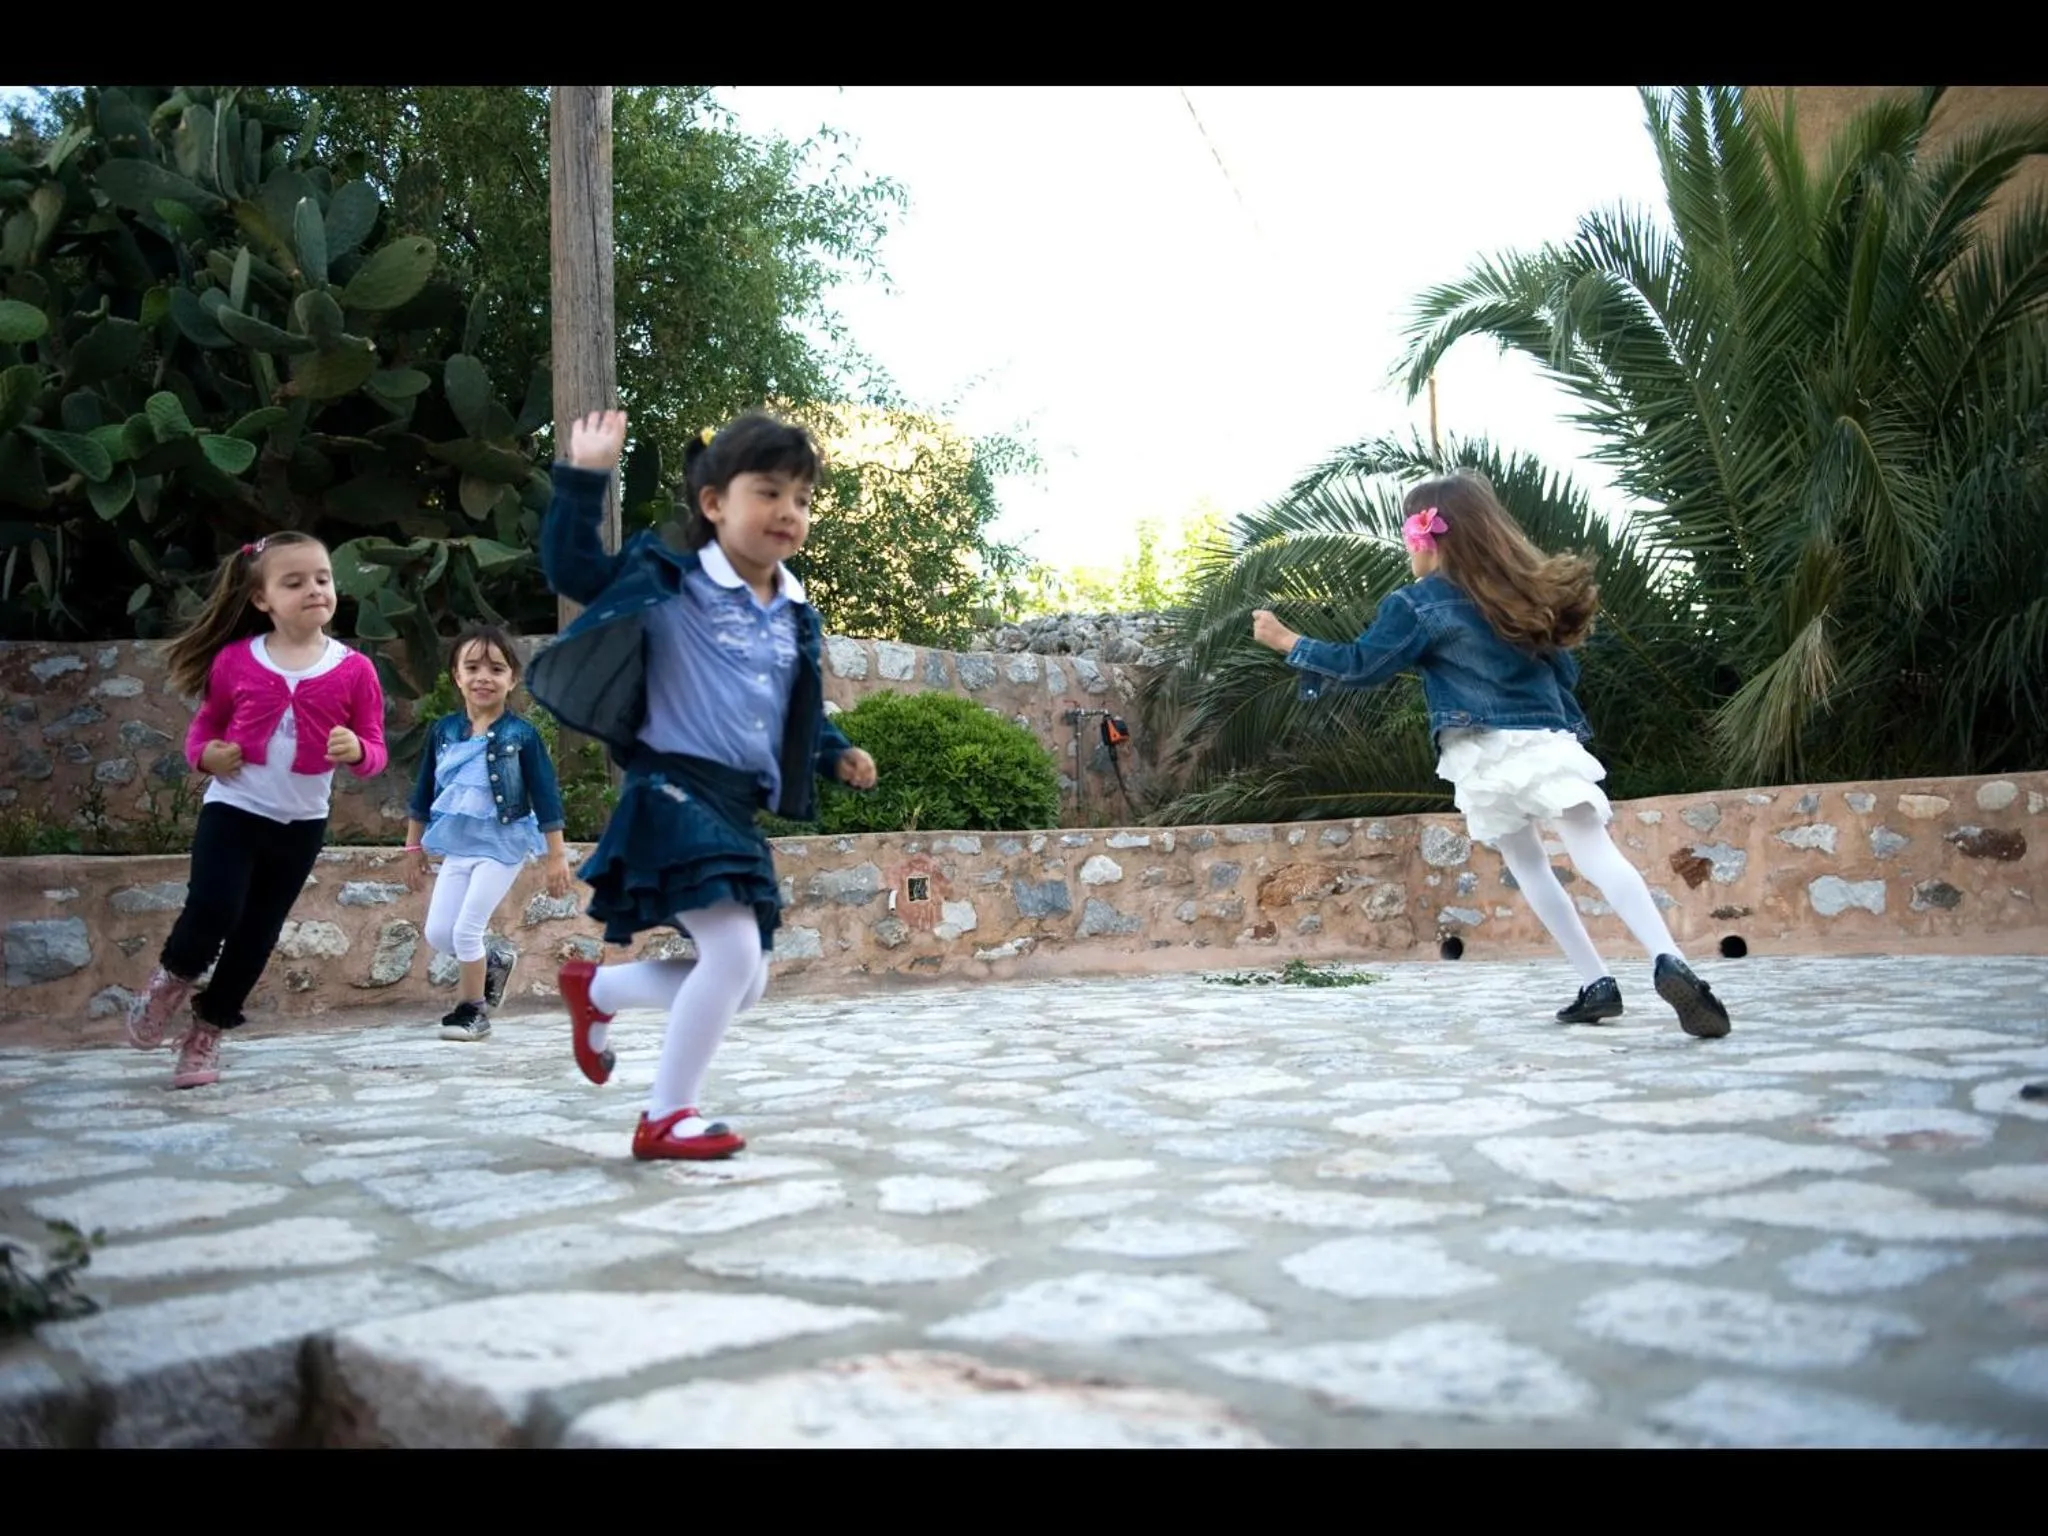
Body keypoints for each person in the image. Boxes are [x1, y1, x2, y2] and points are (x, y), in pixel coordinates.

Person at [1250, 469, 1731, 1038]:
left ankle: (1596, 982)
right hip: (1545, 742)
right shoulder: (1521, 597)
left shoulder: (1416, 604)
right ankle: (1668, 959)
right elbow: (1566, 671)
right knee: (1595, 852)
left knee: (1529, 865)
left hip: (1479, 751)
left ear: (1426, 537)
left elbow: (1364, 664)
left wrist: (1288, 641)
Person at [528, 410, 879, 1159]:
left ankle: (596, 991)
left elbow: (790, 707)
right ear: (715, 503)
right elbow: (573, 572)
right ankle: (665, 1115)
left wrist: (834, 752)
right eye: (769, 492)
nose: (789, 512)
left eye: (803, 499)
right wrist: (584, 477)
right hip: (670, 791)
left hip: (732, 805)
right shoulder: (672, 578)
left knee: (743, 981)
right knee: (730, 961)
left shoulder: (793, 610)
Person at [124, 532, 389, 1085]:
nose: (314, 589)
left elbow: (375, 749)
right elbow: (206, 728)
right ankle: (172, 980)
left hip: (301, 825)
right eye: (294, 582)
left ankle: (206, 1035)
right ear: (262, 599)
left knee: (258, 933)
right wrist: (206, 756)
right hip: (235, 810)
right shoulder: (233, 662)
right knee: (214, 908)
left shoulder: (355, 669)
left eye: (322, 578)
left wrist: (359, 751)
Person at [403, 625, 574, 1042]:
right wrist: (413, 844)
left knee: (466, 931)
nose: (484, 676)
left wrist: (556, 855)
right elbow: (423, 789)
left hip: (504, 845)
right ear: (457, 676)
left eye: (496, 668)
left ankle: (472, 1011)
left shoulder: (522, 735)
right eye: (472, 667)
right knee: (439, 933)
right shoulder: (443, 732)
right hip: (459, 845)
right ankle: (495, 958)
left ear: (512, 679)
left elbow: (546, 796)